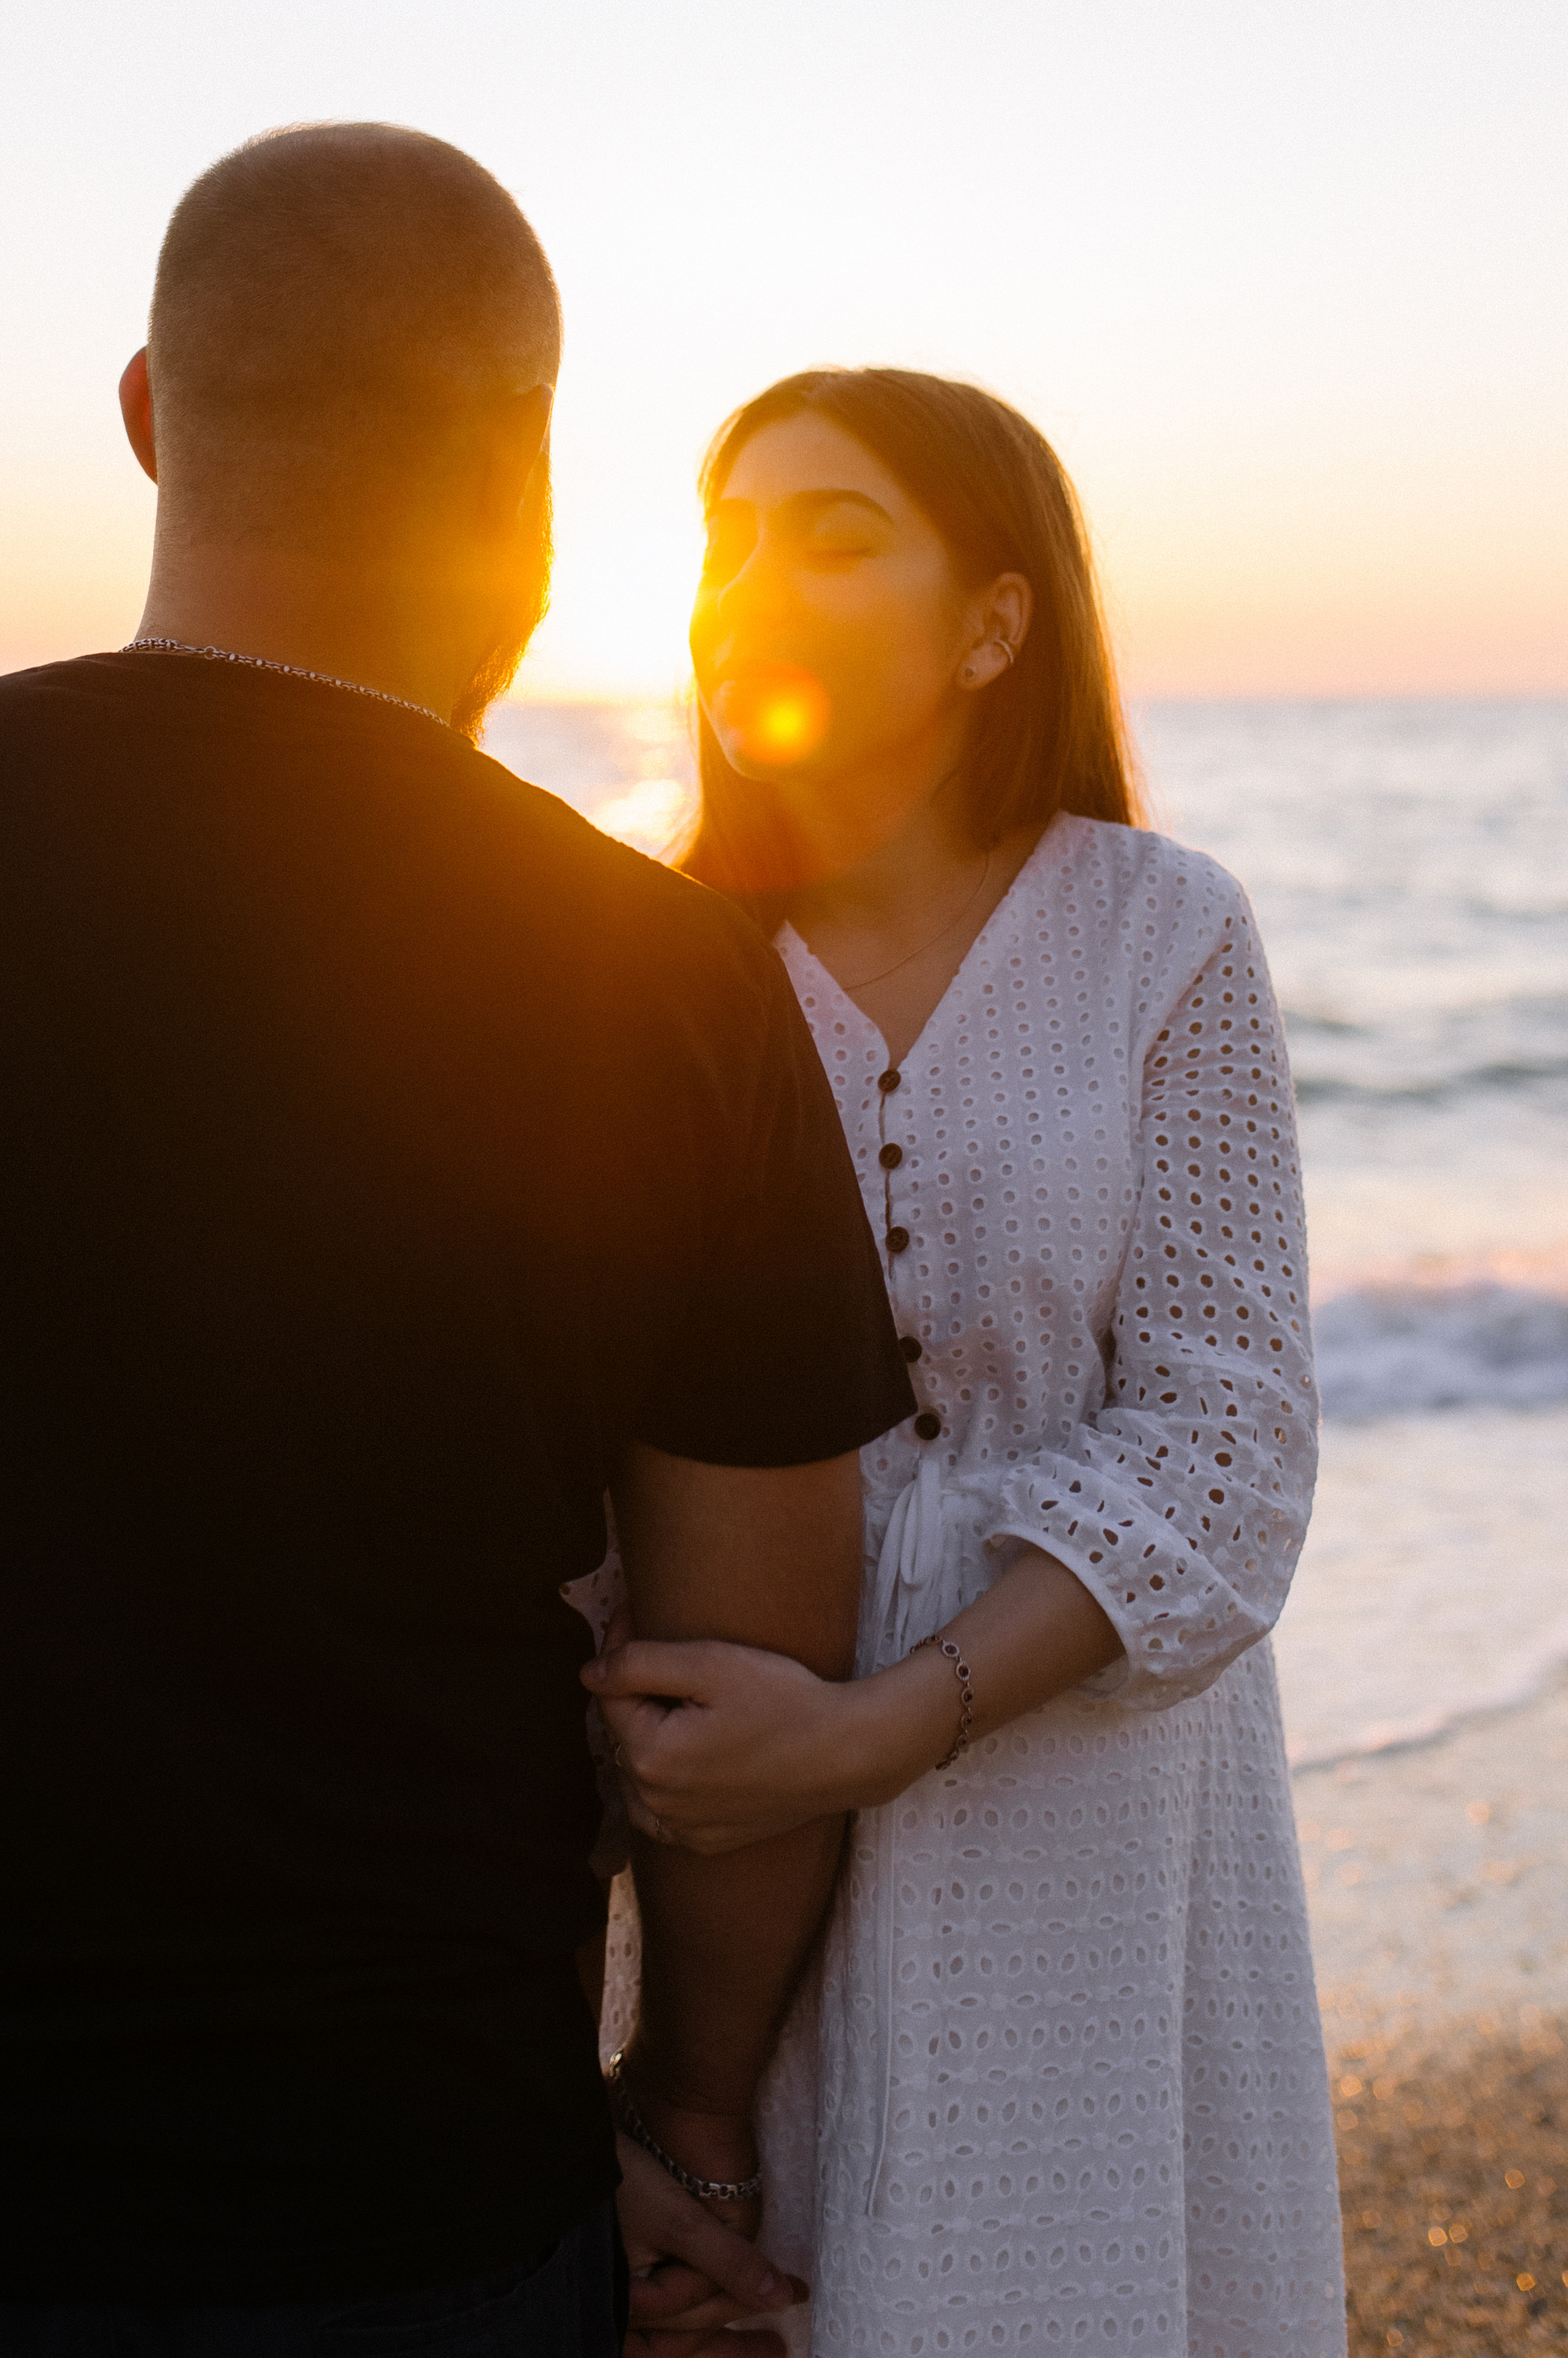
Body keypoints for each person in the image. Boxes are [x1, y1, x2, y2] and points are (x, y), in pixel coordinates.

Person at [0, 130, 915, 2355]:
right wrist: (689, 2125)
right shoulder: (663, 977)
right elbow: (735, 1691)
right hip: (403, 2197)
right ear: (526, 457)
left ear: (145, 412)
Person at [586, 368, 1346, 2358]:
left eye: (832, 530)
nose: (751, 575)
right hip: (717, 1803)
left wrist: (879, 1726)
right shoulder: (647, 958)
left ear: (991, 621)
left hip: (1072, 1787)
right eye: (725, 530)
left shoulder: (1154, 931)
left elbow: (1228, 1429)